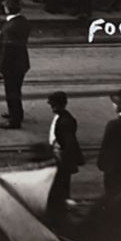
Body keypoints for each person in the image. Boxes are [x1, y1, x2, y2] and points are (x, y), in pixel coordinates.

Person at [0, 0, 30, 129]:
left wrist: (0, 69)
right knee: (15, 90)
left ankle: (15, 119)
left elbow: (7, 51)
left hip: (12, 66)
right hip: (21, 63)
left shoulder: (10, 27)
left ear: (7, 9)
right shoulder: (22, 21)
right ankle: (16, 113)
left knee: (12, 92)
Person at [45, 91, 83, 222]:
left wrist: (62, 157)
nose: (52, 108)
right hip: (59, 154)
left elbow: (69, 142)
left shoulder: (65, 121)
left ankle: (62, 209)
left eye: (54, 105)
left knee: (62, 184)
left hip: (62, 157)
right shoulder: (61, 117)